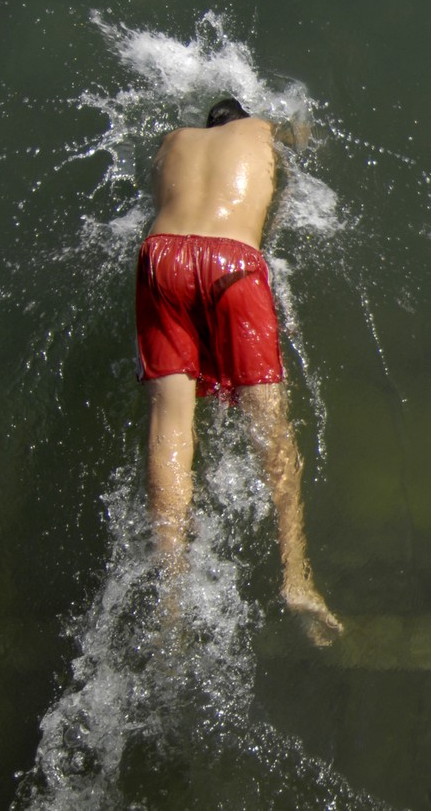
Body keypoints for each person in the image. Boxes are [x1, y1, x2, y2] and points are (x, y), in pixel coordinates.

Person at [136, 97, 343, 645]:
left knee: (170, 423)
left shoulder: (172, 143)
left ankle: (171, 594)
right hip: (233, 262)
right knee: (269, 425)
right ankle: (295, 576)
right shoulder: (266, 130)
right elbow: (308, 132)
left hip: (161, 257)